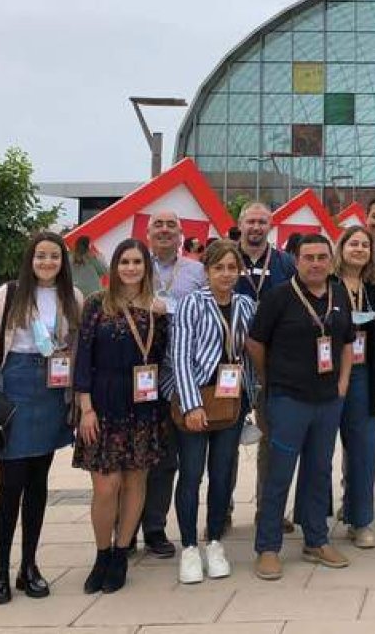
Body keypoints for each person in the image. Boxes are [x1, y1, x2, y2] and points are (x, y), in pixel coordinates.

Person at [0, 231, 83, 604]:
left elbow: (74, 345)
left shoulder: (72, 297)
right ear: (30, 259)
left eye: (54, 256)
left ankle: (29, 565)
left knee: (38, 482)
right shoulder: (10, 293)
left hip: (52, 388)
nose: (47, 262)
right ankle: (0, 569)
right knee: (11, 483)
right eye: (40, 256)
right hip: (16, 383)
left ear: (62, 261)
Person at [246, 234, 356, 580]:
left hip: (327, 399)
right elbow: (254, 342)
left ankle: (316, 540)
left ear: (330, 260)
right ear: (297, 260)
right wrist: (272, 378)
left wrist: (342, 383)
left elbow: (348, 342)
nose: (315, 263)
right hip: (288, 398)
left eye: (322, 257)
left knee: (318, 472)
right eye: (308, 257)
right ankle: (267, 547)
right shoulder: (279, 296)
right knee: (280, 473)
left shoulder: (339, 293)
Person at [73, 238, 170, 594]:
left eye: (137, 262)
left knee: (134, 482)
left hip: (144, 408)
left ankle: (120, 554)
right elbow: (82, 358)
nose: (130, 268)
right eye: (124, 262)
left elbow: (164, 359)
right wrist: (85, 408)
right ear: (114, 267)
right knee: (105, 485)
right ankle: (101, 553)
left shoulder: (158, 310)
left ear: (146, 268)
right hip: (103, 405)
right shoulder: (98, 305)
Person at [169, 239, 257, 584]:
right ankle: (190, 547)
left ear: (240, 271)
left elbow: (251, 352)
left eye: (232, 268)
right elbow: (179, 355)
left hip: (230, 400)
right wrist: (191, 404)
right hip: (197, 398)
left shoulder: (246, 305)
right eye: (218, 268)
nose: (226, 274)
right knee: (191, 475)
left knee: (222, 475)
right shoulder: (192, 303)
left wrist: (253, 397)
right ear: (206, 271)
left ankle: (215, 542)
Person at [139, 211, 208, 560]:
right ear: (147, 233)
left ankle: (154, 528)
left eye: (171, 226)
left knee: (168, 460)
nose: (164, 231)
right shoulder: (135, 264)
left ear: (182, 235)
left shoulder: (196, 271)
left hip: (182, 377)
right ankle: (123, 529)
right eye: (158, 225)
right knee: (135, 457)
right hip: (139, 373)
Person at [232, 202, 299, 535]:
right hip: (228, 364)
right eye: (250, 222)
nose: (256, 228)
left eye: (262, 222)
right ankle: (221, 509)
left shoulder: (285, 262)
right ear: (240, 224)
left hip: (271, 365)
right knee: (224, 440)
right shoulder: (224, 259)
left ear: (270, 226)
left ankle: (267, 510)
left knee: (271, 441)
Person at [332, 226, 375, 549]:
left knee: (364, 447)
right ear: (342, 248)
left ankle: (360, 519)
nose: (359, 249)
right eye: (353, 243)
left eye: (365, 244)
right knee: (321, 449)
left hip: (364, 376)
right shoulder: (328, 285)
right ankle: (315, 520)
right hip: (329, 375)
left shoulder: (374, 288)